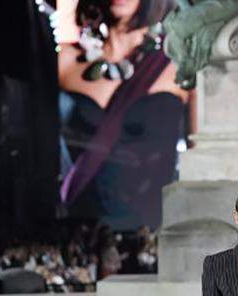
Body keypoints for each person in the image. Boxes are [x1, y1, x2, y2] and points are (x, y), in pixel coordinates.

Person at [58, 0, 190, 233]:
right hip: (75, 228)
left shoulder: (180, 65)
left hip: (151, 232)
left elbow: (204, 161)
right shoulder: (65, 61)